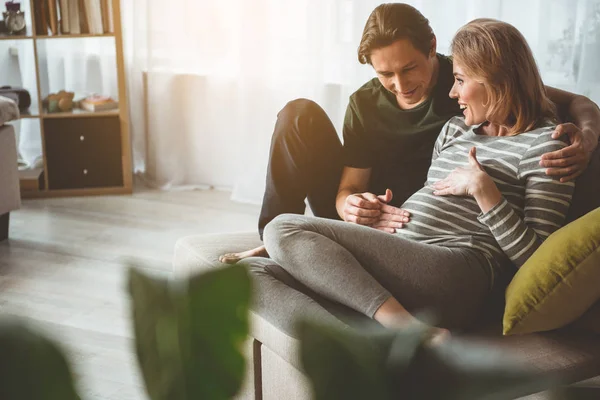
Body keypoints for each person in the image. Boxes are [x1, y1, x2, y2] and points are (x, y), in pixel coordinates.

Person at [262, 18, 575, 341]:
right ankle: (357, 347)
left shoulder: (546, 146)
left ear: (497, 81)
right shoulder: (455, 129)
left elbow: (539, 263)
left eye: (460, 79)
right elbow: (428, 202)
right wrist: (373, 219)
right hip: (407, 259)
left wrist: (485, 192)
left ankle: (405, 329)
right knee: (260, 273)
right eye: (454, 79)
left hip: (460, 267)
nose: (453, 91)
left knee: (282, 229)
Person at [220, 3, 600, 265]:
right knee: (297, 114)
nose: (400, 85)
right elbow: (346, 188)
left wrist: (587, 135)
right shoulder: (365, 103)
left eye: (409, 68)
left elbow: (573, 100)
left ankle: (294, 244)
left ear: (432, 47)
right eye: (385, 74)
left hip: (425, 221)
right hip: (371, 215)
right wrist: (351, 207)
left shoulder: (469, 83)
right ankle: (270, 240)